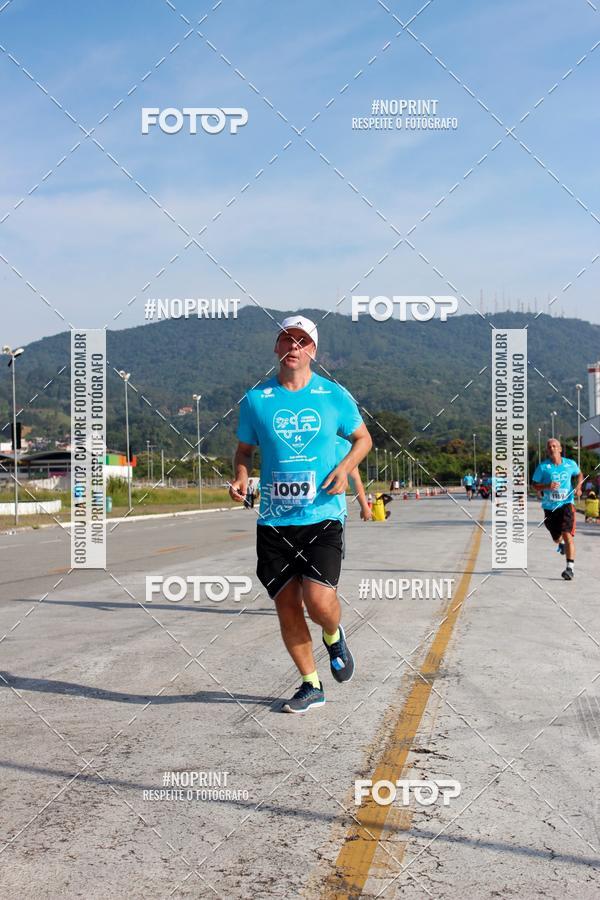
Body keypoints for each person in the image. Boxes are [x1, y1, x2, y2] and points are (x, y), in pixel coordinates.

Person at [230, 315, 372, 713]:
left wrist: (345, 470)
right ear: (276, 348)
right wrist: (241, 477)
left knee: (317, 600)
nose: (294, 347)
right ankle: (311, 684)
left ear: (313, 350)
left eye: (302, 342)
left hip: (322, 514)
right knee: (287, 604)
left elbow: (363, 440)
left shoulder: (333, 395)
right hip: (274, 520)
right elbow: (245, 450)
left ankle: (332, 633)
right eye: (286, 340)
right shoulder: (257, 399)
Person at [532, 438, 583, 580]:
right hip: (550, 507)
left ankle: (569, 569)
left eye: (555, 446)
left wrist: (579, 486)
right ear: (547, 451)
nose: (552, 448)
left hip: (566, 504)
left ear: (560, 449)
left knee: (567, 534)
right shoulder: (543, 467)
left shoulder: (570, 464)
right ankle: (560, 544)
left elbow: (579, 474)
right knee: (556, 537)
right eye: (549, 447)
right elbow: (534, 485)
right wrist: (546, 486)